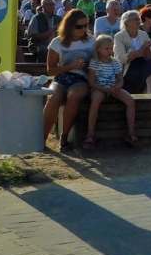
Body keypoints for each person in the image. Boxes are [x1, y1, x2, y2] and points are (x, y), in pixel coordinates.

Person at [41, 9, 95, 149]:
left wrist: (87, 66)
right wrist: (70, 66)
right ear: (69, 25)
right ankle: (42, 138)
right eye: (79, 26)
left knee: (74, 95)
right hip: (62, 76)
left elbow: (98, 63)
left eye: (86, 25)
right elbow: (50, 70)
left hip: (82, 77)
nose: (83, 29)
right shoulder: (57, 42)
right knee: (53, 97)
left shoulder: (91, 41)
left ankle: (64, 136)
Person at [83, 34, 138, 150]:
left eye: (111, 48)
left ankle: (131, 133)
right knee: (95, 100)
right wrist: (105, 89)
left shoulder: (115, 62)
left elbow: (120, 79)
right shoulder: (94, 62)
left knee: (130, 101)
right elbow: (91, 82)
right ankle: (90, 134)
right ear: (98, 49)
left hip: (113, 87)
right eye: (106, 48)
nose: (109, 51)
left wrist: (116, 87)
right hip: (99, 88)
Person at [114, 10, 151, 94]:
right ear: (126, 22)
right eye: (136, 19)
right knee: (148, 66)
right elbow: (122, 58)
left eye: (139, 19)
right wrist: (142, 49)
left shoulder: (143, 34)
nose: (139, 21)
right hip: (128, 66)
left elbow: (149, 55)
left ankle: (150, 93)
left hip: (144, 63)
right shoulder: (119, 36)